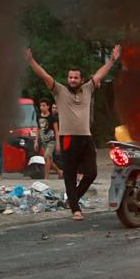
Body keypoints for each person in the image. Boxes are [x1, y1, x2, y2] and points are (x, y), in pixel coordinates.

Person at [25, 44, 121, 220]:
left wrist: (112, 60)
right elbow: (44, 75)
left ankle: (72, 198)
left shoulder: (89, 88)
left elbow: (100, 74)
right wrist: (31, 60)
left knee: (91, 173)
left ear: (81, 79)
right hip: (68, 138)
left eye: (76, 77)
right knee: (69, 175)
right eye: (70, 77)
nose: (73, 80)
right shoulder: (59, 91)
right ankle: (75, 209)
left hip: (86, 138)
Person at [34, 98, 62, 179]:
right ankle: (59, 171)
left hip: (51, 141)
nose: (41, 107)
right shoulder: (38, 116)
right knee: (48, 159)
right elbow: (38, 129)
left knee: (46, 156)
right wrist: (36, 141)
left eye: (43, 105)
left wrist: (58, 143)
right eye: (40, 106)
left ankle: (46, 178)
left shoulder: (52, 117)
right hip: (43, 141)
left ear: (48, 106)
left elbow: (56, 131)